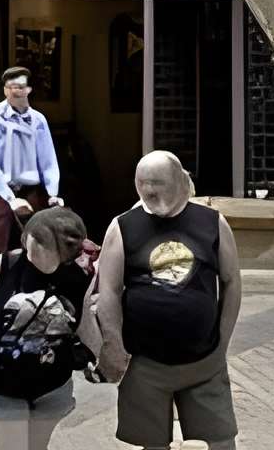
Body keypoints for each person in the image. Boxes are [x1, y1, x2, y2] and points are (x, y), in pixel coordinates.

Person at [93, 151, 242, 450]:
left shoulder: (212, 222)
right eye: (143, 183)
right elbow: (107, 291)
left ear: (180, 181)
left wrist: (222, 344)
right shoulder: (122, 226)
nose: (149, 190)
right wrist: (114, 346)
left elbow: (232, 281)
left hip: (204, 362)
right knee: (151, 445)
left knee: (220, 442)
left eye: (158, 183)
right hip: (145, 364)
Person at [0, 204, 95, 450]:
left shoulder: (78, 276)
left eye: (43, 245)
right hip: (2, 381)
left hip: (53, 383)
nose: (34, 249)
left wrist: (99, 356)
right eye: (32, 241)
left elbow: (83, 321)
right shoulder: (2, 266)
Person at [0, 68, 61, 261]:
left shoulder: (38, 120)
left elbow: (48, 161)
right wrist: (10, 198)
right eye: (10, 87)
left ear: (29, 89)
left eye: (20, 87)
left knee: (33, 250)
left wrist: (52, 193)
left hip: (30, 192)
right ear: (5, 90)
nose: (15, 92)